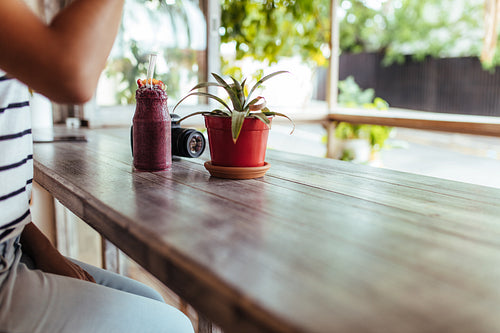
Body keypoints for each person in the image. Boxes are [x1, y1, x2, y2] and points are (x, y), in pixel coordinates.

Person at [0, 0, 194, 332]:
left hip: (13, 250)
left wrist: (45, 249)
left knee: (154, 303)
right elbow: (72, 69)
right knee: (173, 327)